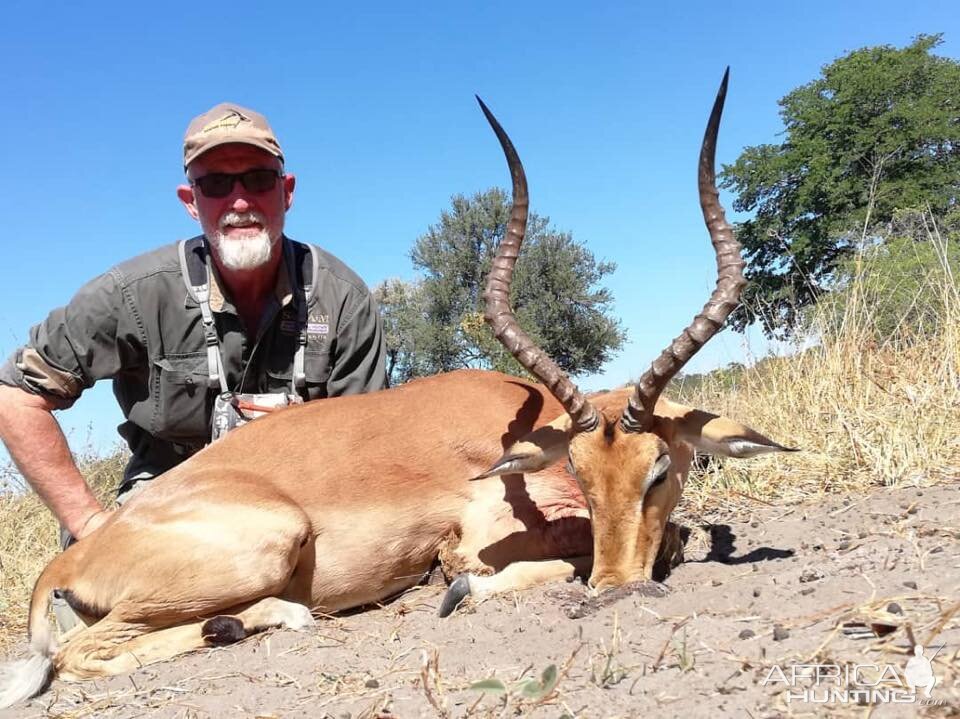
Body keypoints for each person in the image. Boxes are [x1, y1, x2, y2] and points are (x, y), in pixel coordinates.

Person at [0, 102, 387, 546]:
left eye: (259, 179)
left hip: (307, 504)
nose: (240, 201)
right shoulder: (133, 292)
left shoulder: (342, 298)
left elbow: (368, 446)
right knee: (94, 604)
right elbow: (15, 397)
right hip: (171, 501)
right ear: (190, 201)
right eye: (216, 184)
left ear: (287, 192)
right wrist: (88, 523)